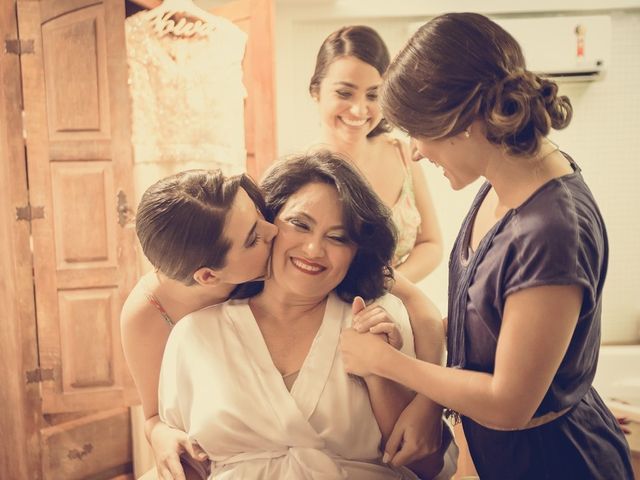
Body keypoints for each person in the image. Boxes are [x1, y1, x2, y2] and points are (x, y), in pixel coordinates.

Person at [340, 12, 634, 480]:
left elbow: (508, 403)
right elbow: (485, 326)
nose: (415, 151)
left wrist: (389, 365)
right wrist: (426, 400)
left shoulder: (551, 231)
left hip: (557, 463)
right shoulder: (504, 181)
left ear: (462, 121)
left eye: (418, 131)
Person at [158, 151, 457, 479]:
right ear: (268, 224)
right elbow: (182, 460)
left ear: (356, 250)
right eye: (300, 225)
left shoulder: (381, 317)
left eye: (338, 237)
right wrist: (159, 434)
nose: (314, 250)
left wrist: (378, 372)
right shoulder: (194, 334)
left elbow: (426, 466)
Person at [121, 170, 278, 479]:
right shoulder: (146, 316)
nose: (273, 229)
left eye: (260, 215)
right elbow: (153, 416)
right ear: (208, 276)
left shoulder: (276, 263)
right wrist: (161, 437)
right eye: (253, 238)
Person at [309, 25, 442, 282]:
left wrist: (389, 285)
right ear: (316, 91)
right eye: (344, 93)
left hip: (395, 309)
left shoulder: (403, 155)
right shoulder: (304, 172)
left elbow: (432, 243)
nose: (359, 110)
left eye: (373, 95)